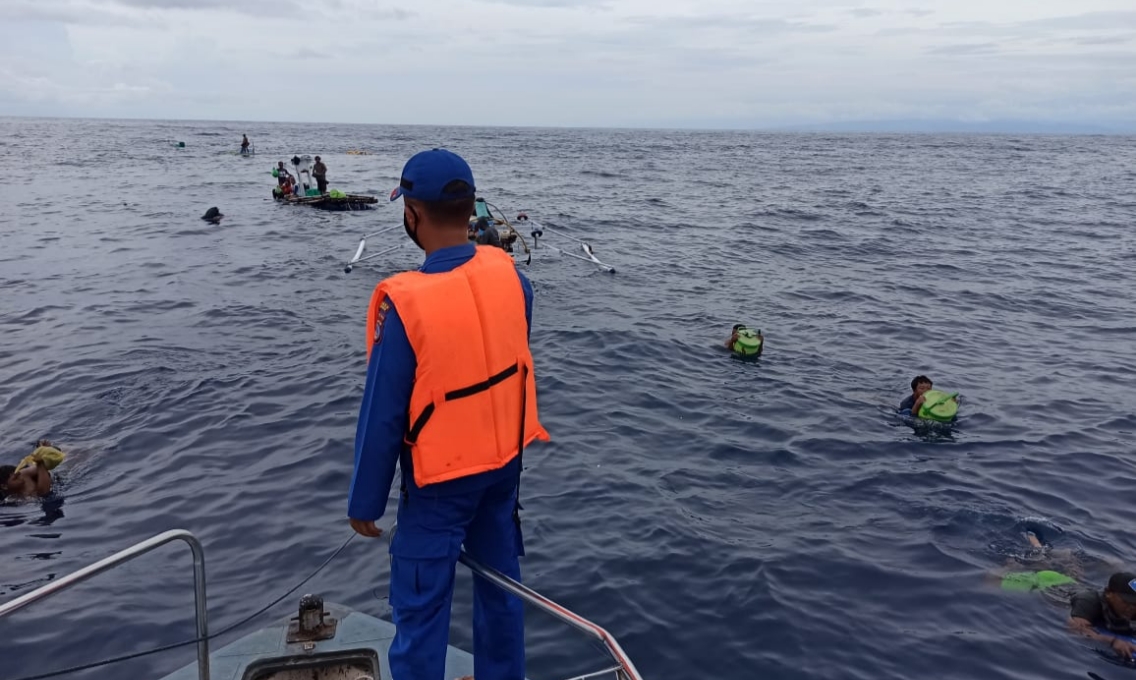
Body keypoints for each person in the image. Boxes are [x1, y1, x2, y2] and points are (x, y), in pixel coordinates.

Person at [348, 148, 549, 680]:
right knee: (502, 588)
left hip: (439, 483)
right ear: (469, 208)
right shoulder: (514, 280)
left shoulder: (407, 307)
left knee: (420, 606)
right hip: (504, 470)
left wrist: (364, 501)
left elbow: (384, 412)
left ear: (412, 214)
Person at [1069, 572, 1136, 658]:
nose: (1132, 608)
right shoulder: (1089, 601)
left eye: (1135, 603)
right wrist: (1113, 641)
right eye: (1126, 602)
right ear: (1109, 593)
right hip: (1062, 595)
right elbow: (1076, 630)